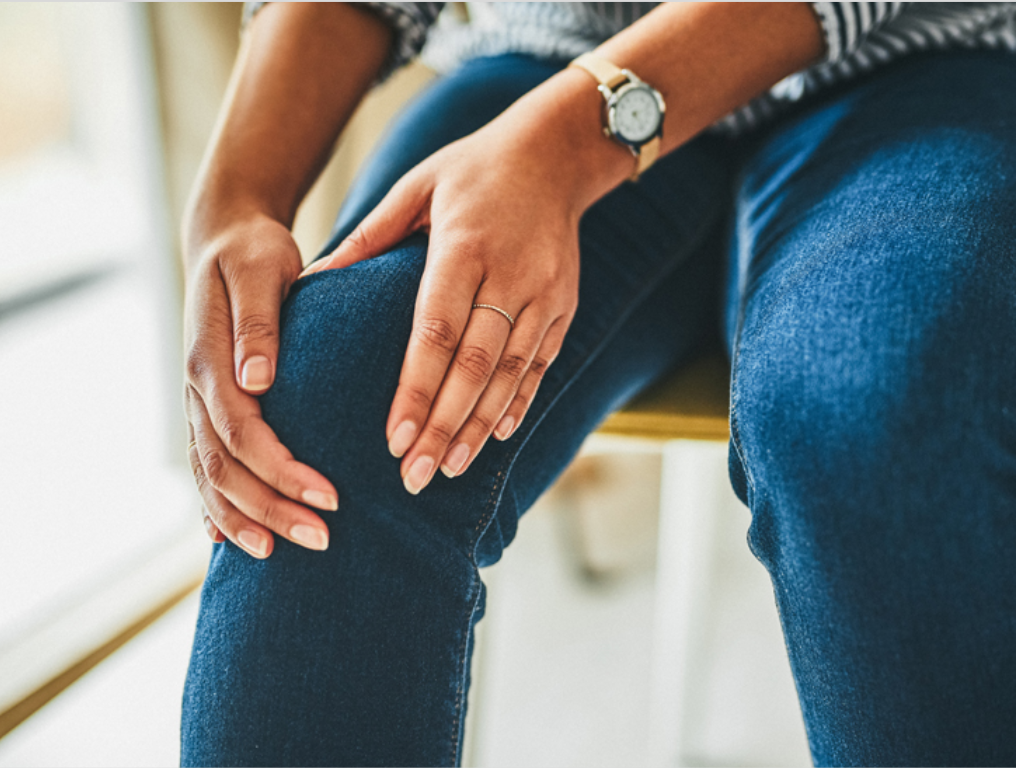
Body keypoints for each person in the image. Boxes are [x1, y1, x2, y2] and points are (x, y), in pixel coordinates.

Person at [179, 3, 1016, 765]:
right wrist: (235, 199)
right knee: (325, 424)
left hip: (917, 61)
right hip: (545, 57)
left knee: (873, 422)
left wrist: (575, 138)